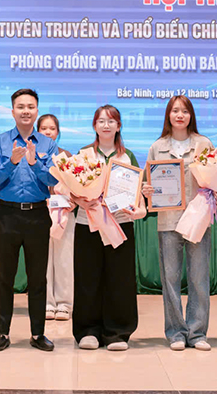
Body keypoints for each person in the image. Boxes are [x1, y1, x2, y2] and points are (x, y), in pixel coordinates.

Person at [142, 96, 217, 351]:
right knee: (170, 280)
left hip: (198, 219)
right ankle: (176, 333)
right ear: (168, 115)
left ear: (191, 115)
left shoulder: (204, 144)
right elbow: (147, 182)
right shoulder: (157, 147)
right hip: (168, 221)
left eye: (185, 111)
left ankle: (197, 333)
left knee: (199, 279)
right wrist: (147, 190)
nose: (180, 115)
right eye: (175, 110)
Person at [0, 89, 59, 352]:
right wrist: (12, 163)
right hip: (7, 215)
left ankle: (38, 333)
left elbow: (54, 179)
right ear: (12, 111)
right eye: (20, 106)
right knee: (4, 277)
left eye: (30, 106)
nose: (25, 111)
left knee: (37, 278)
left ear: (37, 111)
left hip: (38, 215)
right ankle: (2, 333)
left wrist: (35, 163)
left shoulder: (48, 144)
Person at [70, 105, 146, 351]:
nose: (106, 125)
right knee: (87, 278)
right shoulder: (83, 154)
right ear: (94, 125)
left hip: (120, 225)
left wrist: (138, 211)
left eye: (111, 121)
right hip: (88, 224)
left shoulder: (128, 156)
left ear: (118, 126)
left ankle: (117, 333)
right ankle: (88, 331)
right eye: (101, 121)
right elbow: (71, 191)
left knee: (119, 280)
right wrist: (80, 200)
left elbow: (139, 199)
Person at [37, 114, 74, 321]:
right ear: (37, 131)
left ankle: (64, 304)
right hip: (39, 213)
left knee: (64, 259)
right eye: (44, 128)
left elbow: (77, 185)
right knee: (42, 260)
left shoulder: (66, 156)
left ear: (58, 132)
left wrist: (74, 200)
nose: (48, 132)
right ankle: (46, 303)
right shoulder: (30, 155)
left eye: (52, 128)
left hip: (64, 214)